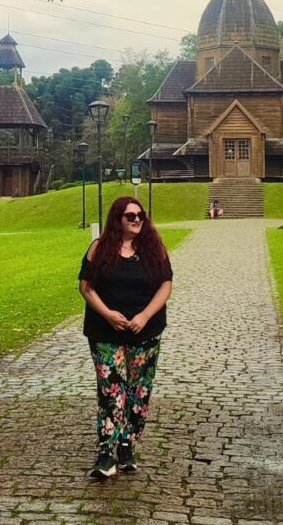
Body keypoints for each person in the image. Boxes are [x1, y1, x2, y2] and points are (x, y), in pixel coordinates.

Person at [78, 196, 173, 479]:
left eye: (140, 215)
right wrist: (107, 313)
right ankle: (105, 453)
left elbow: (166, 284)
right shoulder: (100, 248)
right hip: (106, 332)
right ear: (117, 219)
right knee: (112, 392)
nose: (136, 220)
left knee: (137, 392)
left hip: (146, 332)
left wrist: (145, 315)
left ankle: (126, 444)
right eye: (130, 216)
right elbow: (85, 286)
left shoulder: (155, 248)